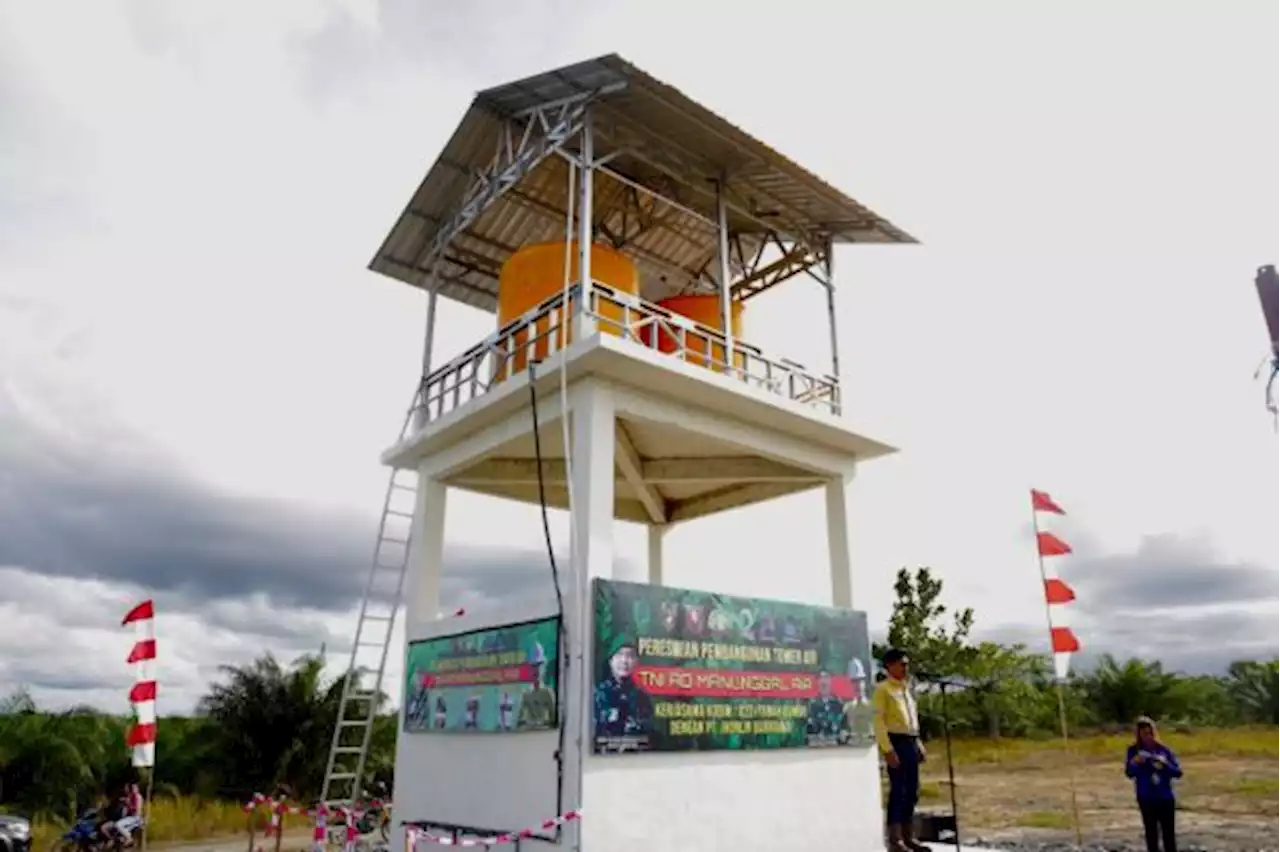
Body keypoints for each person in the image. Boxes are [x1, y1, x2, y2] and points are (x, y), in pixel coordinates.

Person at [873, 648, 927, 852]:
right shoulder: (883, 689)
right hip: (896, 742)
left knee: (912, 791)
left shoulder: (906, 688)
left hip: (911, 740)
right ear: (890, 666)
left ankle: (909, 835)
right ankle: (895, 840)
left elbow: (911, 719)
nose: (905, 668)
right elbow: (878, 722)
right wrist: (887, 749)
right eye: (901, 664)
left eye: (906, 664)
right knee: (899, 791)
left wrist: (918, 742)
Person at [1125, 716, 1182, 852]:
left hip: (1165, 797)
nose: (1148, 737)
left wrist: (1164, 764)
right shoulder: (1133, 751)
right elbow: (1129, 773)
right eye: (1144, 733)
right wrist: (1135, 762)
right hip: (1146, 797)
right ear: (1138, 734)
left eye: (1150, 733)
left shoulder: (1164, 750)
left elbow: (1178, 772)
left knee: (1169, 835)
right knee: (1151, 834)